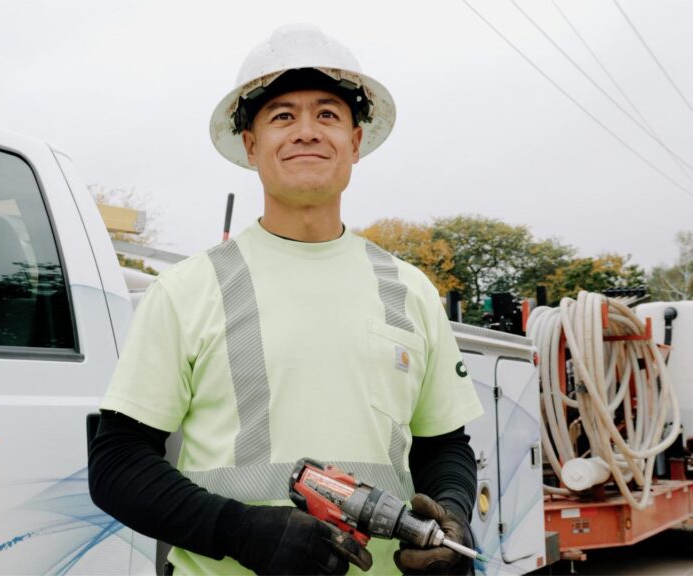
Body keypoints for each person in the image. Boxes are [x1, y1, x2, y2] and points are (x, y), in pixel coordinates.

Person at [90, 24, 484, 575]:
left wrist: (453, 518)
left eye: (327, 115)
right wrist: (242, 532)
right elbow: (117, 464)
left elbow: (445, 447)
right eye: (282, 116)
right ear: (251, 145)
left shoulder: (410, 289)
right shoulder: (186, 290)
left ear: (356, 142)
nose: (306, 131)